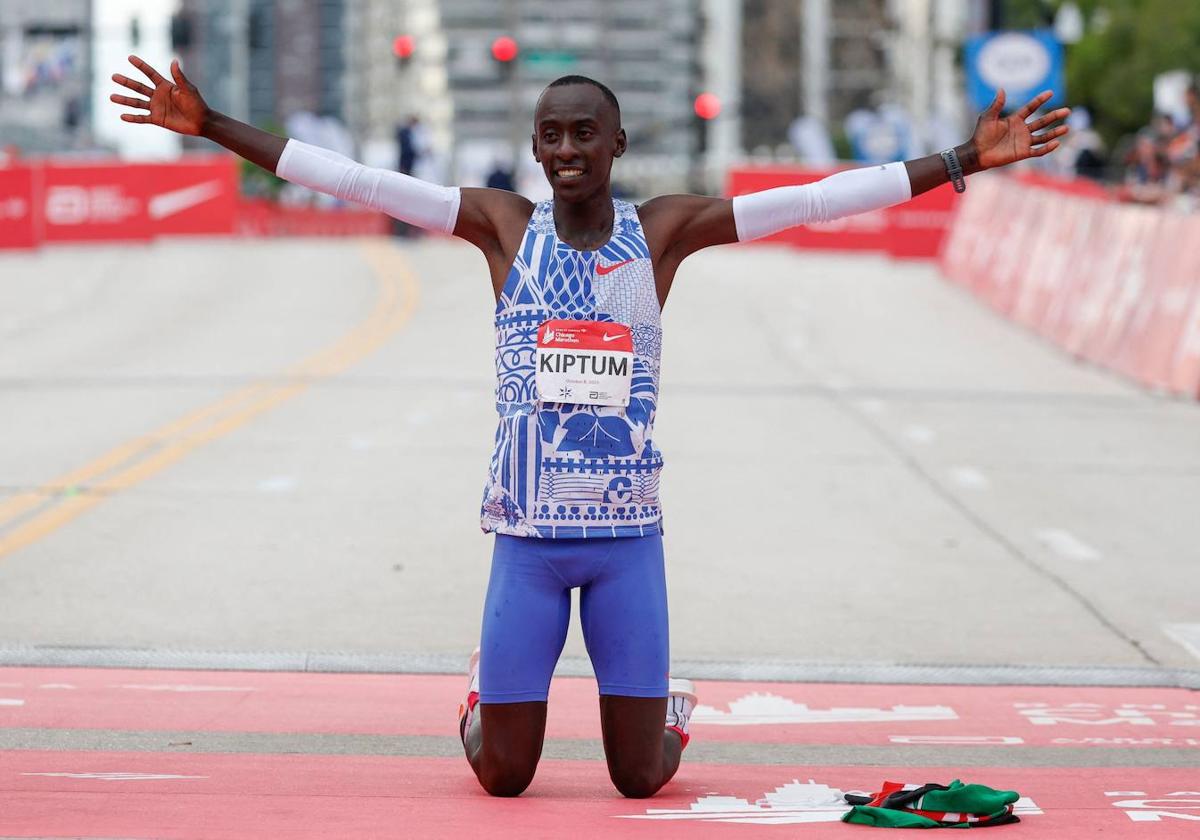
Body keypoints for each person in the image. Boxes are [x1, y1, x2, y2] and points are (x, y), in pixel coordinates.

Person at [110, 55, 1069, 799]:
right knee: (504, 775)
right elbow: (354, 180)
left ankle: (670, 711)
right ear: (535, 149)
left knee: (639, 777)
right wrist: (211, 129)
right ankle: (484, 698)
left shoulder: (661, 233)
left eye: (585, 135)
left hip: (625, 547)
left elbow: (814, 201)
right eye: (551, 136)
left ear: (617, 145)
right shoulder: (497, 226)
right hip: (526, 545)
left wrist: (959, 162)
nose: (567, 150)